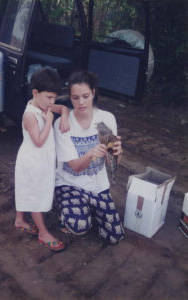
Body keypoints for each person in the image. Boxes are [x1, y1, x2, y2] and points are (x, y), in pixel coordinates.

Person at [54, 70, 125, 244]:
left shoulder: (107, 118)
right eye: (75, 98)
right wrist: (90, 154)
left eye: (85, 96)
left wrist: (117, 152)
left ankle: (89, 208)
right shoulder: (62, 124)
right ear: (70, 98)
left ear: (93, 92)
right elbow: (75, 167)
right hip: (70, 184)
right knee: (78, 225)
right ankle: (66, 212)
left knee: (114, 237)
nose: (81, 102)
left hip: (97, 185)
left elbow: (112, 162)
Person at [15, 66, 70, 252]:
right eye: (49, 97)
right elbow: (38, 140)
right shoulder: (31, 115)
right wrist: (48, 122)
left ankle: (20, 219)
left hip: (41, 159)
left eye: (54, 97)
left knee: (27, 188)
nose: (52, 102)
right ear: (35, 93)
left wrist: (63, 116)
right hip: (33, 160)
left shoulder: (42, 104)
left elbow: (63, 108)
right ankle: (43, 232)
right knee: (35, 194)